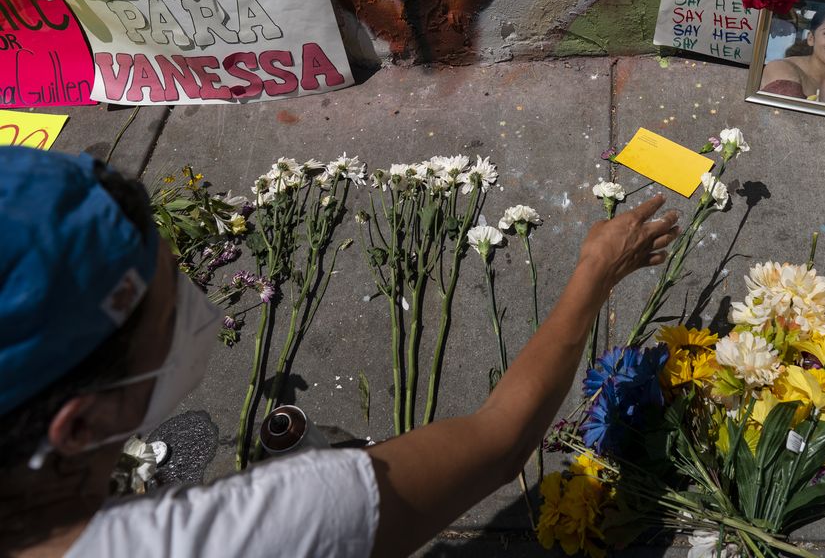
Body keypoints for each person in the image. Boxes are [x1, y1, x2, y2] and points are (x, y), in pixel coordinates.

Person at [0, 146, 680, 557]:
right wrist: (594, 273)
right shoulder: (253, 536)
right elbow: (498, 442)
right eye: (173, 303)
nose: (196, 306)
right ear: (78, 425)